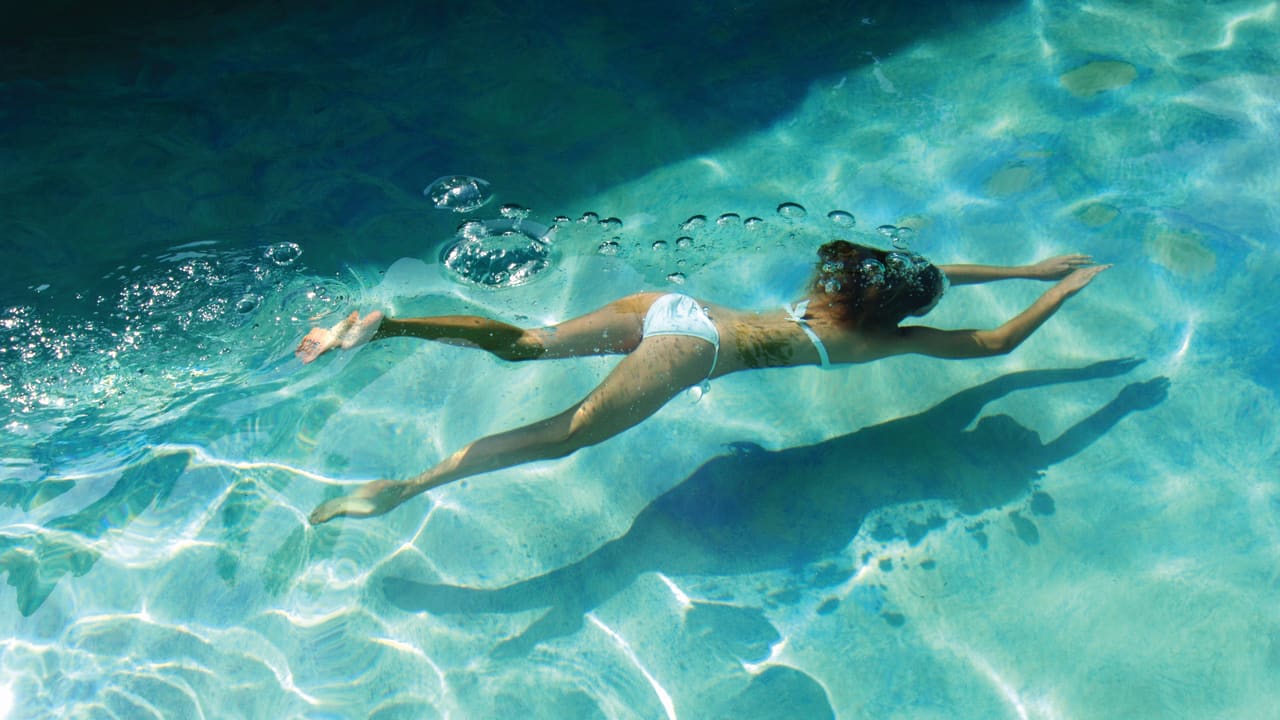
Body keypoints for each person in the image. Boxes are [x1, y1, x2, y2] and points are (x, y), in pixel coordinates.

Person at [296, 240, 1108, 524]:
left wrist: (1024, 264)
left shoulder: (836, 295)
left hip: (673, 306)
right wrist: (1054, 292)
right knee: (564, 435)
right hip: (691, 355)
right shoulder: (879, 338)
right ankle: (407, 489)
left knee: (527, 346)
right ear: (895, 310)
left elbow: (930, 270)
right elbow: (996, 346)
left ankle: (384, 326)